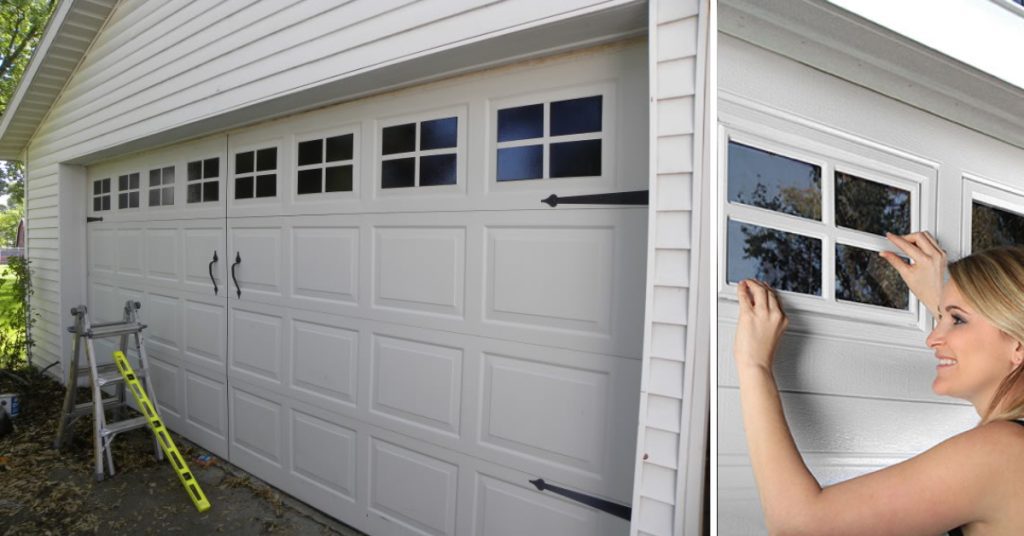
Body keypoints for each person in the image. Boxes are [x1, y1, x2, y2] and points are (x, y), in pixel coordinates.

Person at [735, 231, 1024, 535]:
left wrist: (753, 364)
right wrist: (946, 301)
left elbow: (798, 526)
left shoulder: (1001, 451)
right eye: (940, 318)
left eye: (957, 320)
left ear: (1017, 345)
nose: (931, 338)